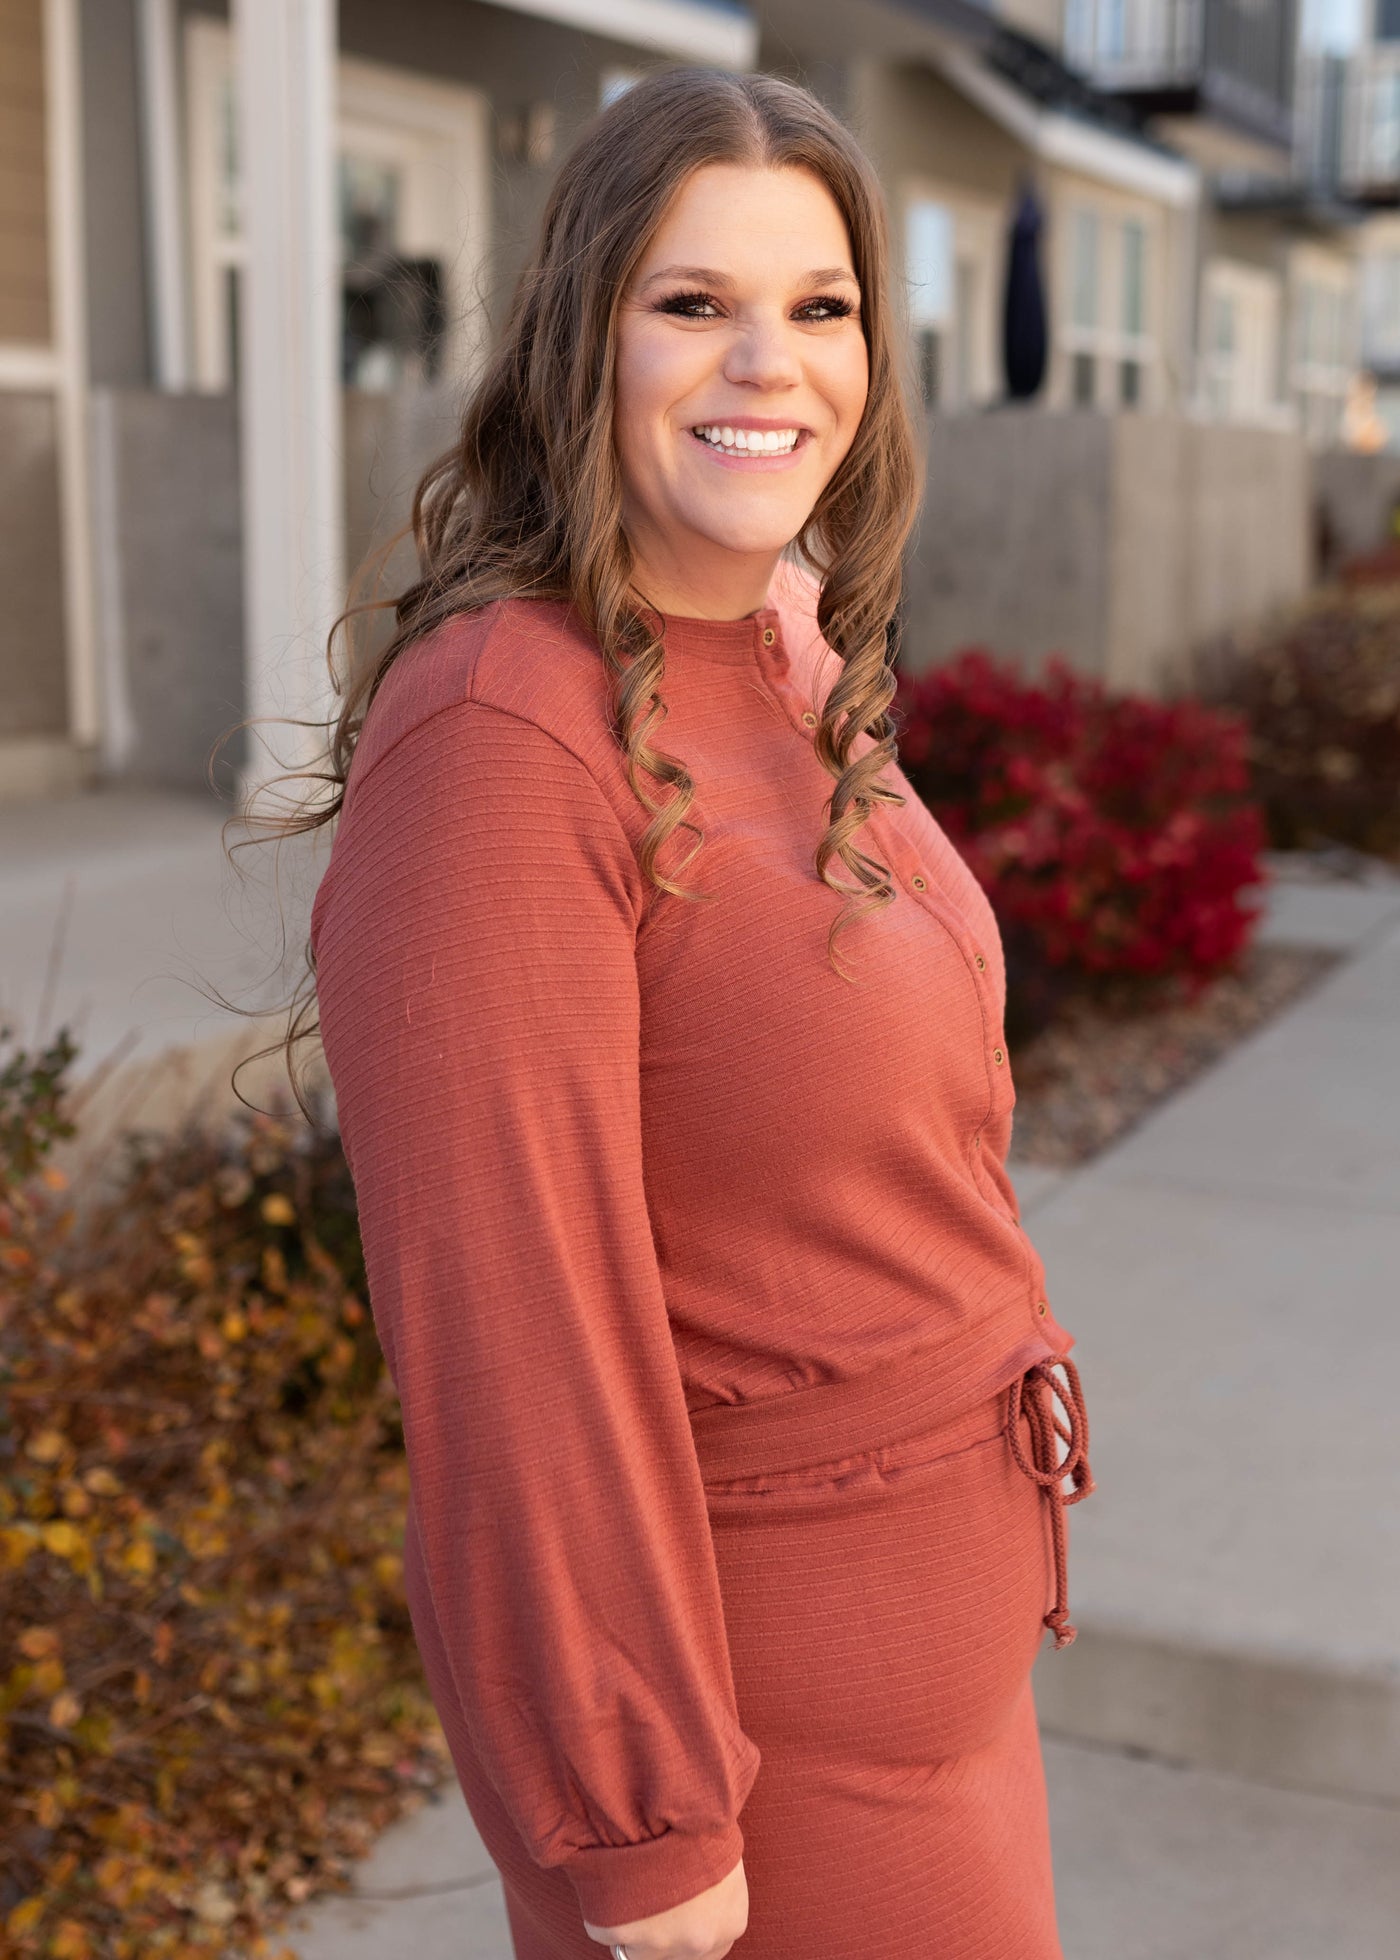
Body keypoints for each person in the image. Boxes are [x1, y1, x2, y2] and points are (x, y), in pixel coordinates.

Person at [306, 66, 1094, 1960]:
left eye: (817, 309)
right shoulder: (506, 733)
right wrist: (637, 1820)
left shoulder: (793, 648)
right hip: (758, 1770)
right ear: (586, 337)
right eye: (694, 304)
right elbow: (513, 1326)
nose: (770, 365)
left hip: (948, 1701)